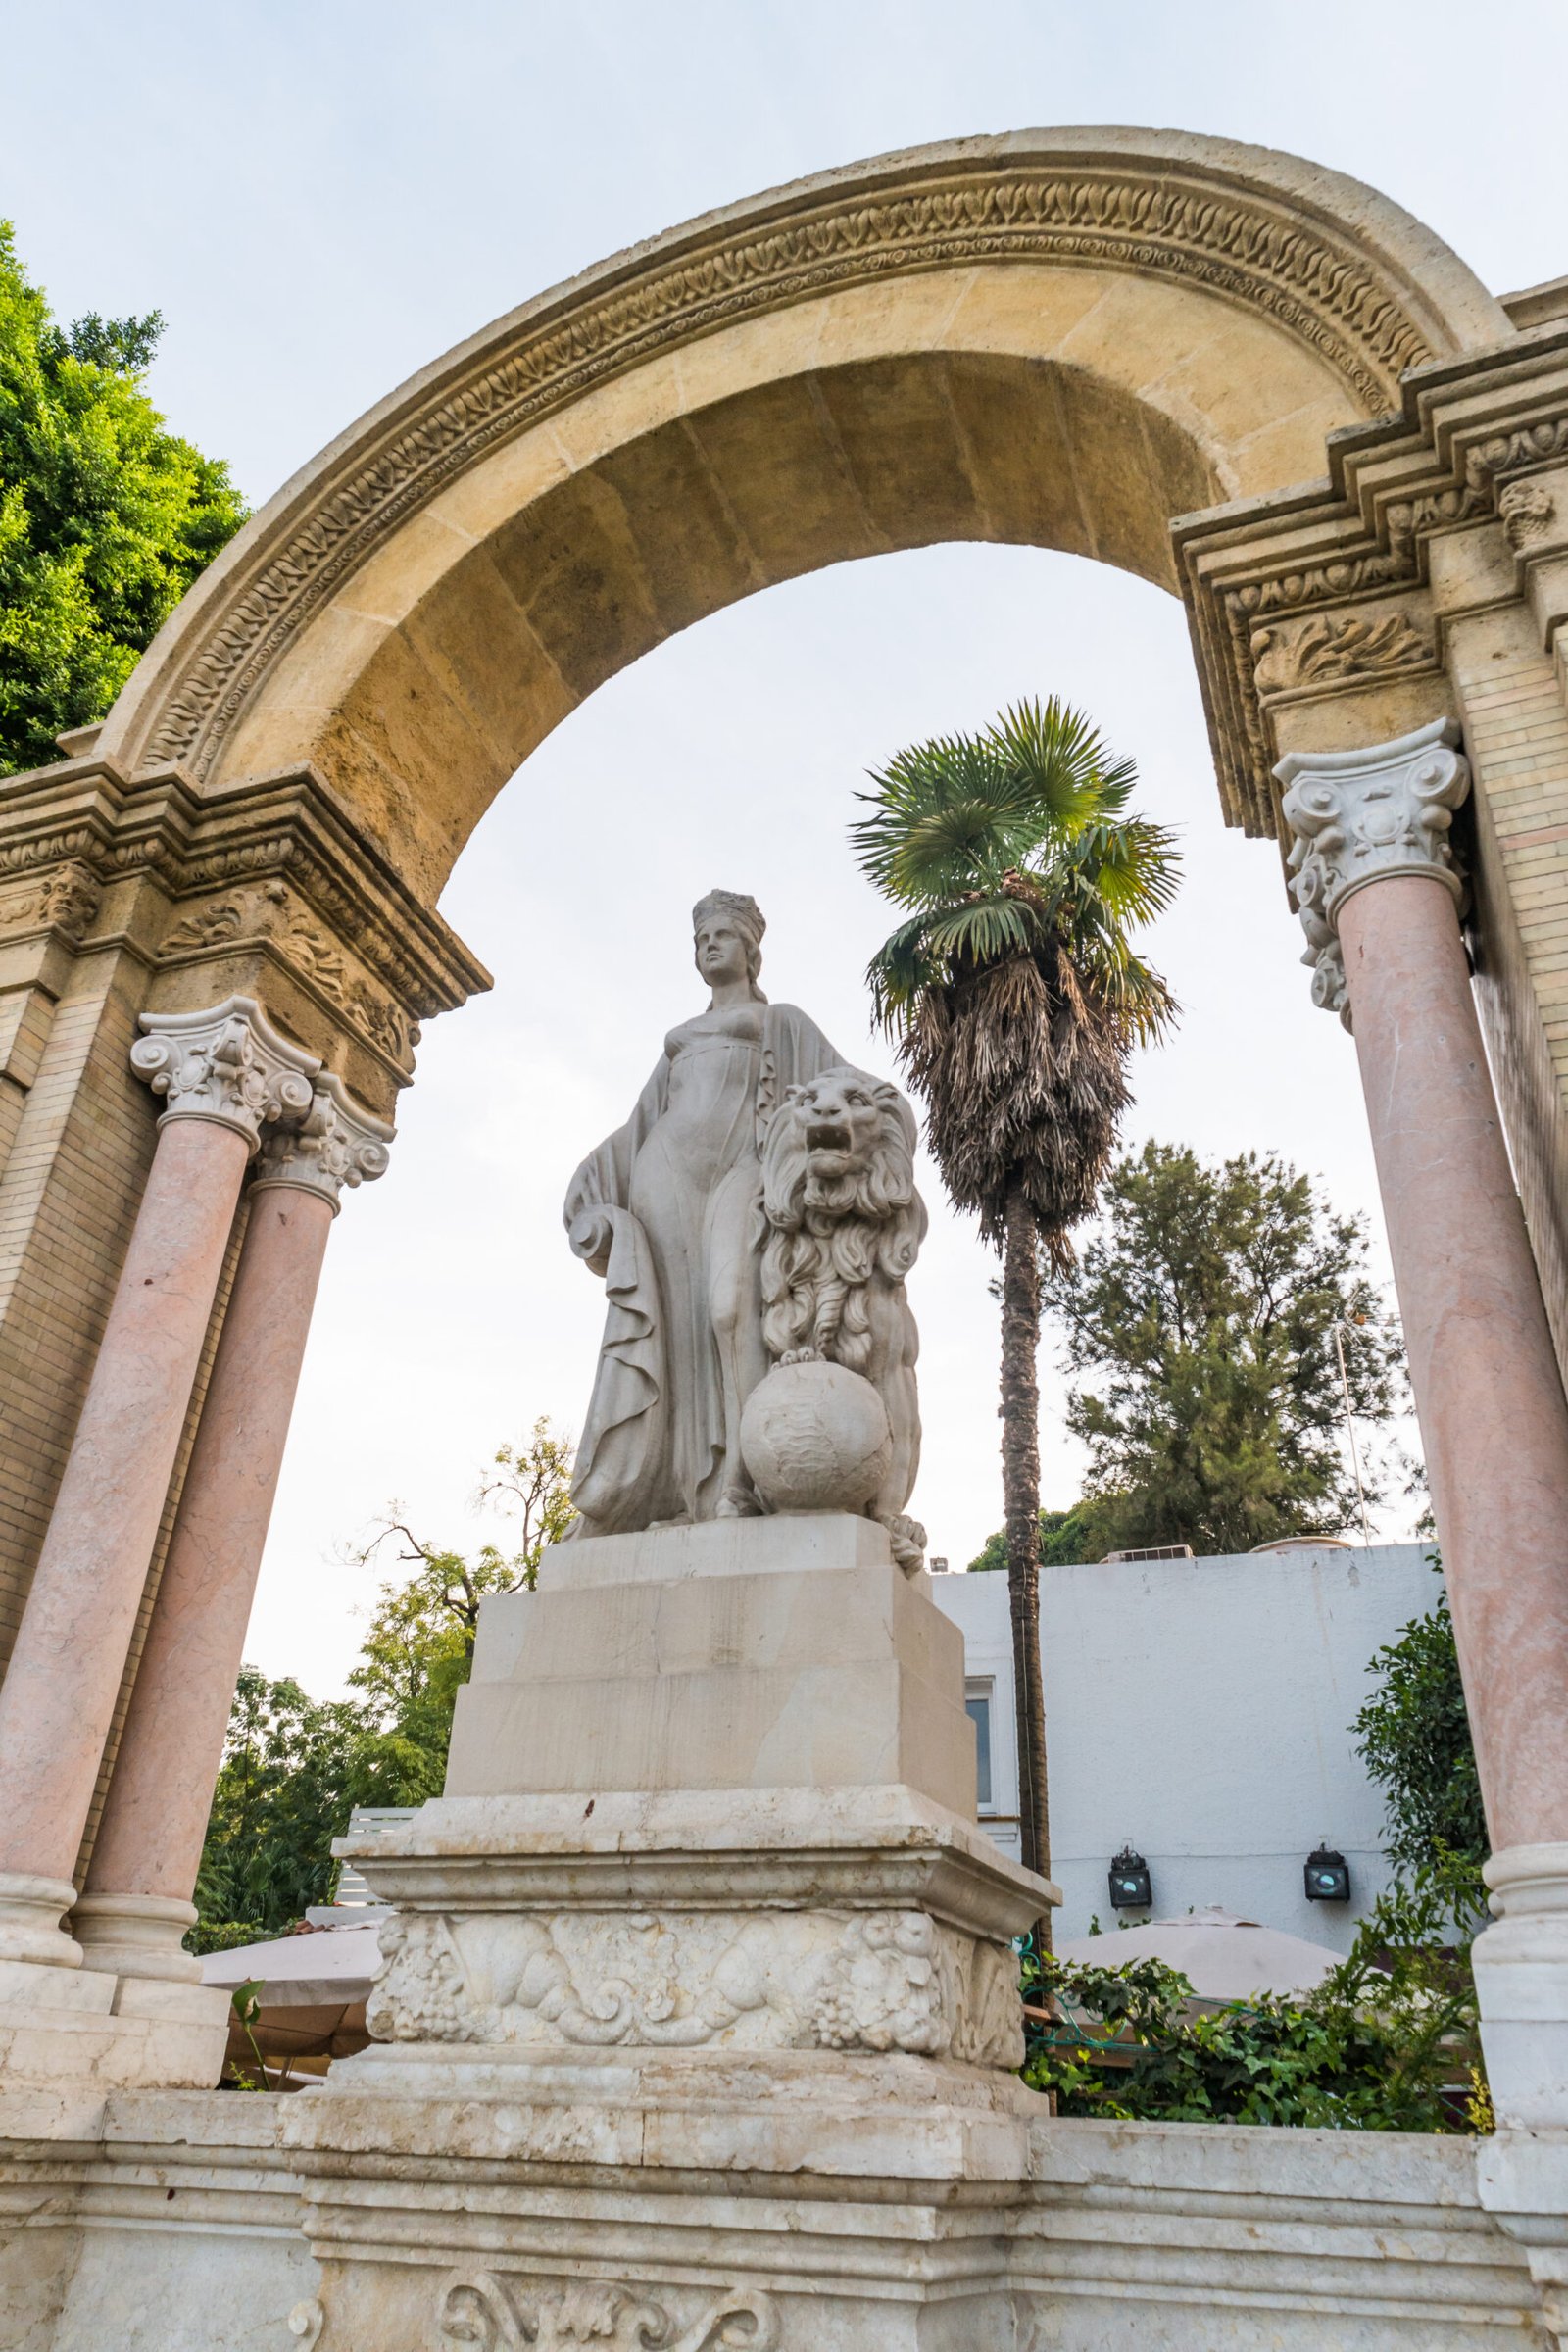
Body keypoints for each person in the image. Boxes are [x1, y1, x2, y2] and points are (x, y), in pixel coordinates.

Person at [564, 891, 842, 1534]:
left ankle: (749, 1478)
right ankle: (684, 1495)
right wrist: (589, 1190)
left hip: (742, 1170)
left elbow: (842, 1087)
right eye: (700, 939)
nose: (709, 945)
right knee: (676, 1330)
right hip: (663, 1177)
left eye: (722, 935)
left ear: (751, 949)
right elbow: (639, 1126)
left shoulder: (782, 1022)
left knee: (728, 1311)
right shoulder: (679, 1041)